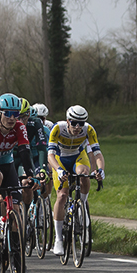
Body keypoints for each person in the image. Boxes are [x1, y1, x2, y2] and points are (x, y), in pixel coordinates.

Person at [47, 104, 105, 256]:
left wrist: (100, 170)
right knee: (62, 195)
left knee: (84, 174)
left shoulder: (89, 130)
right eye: (74, 123)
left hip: (78, 157)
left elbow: (97, 153)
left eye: (81, 123)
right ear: (68, 121)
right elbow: (50, 155)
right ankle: (58, 239)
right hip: (60, 159)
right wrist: (59, 170)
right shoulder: (57, 128)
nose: (78, 127)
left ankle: (83, 205)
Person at [0, 93, 35, 243]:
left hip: (7, 163)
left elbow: (24, 152)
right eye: (7, 114)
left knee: (15, 206)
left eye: (15, 114)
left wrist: (31, 175)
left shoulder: (19, 127)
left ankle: (16, 250)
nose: (11, 118)